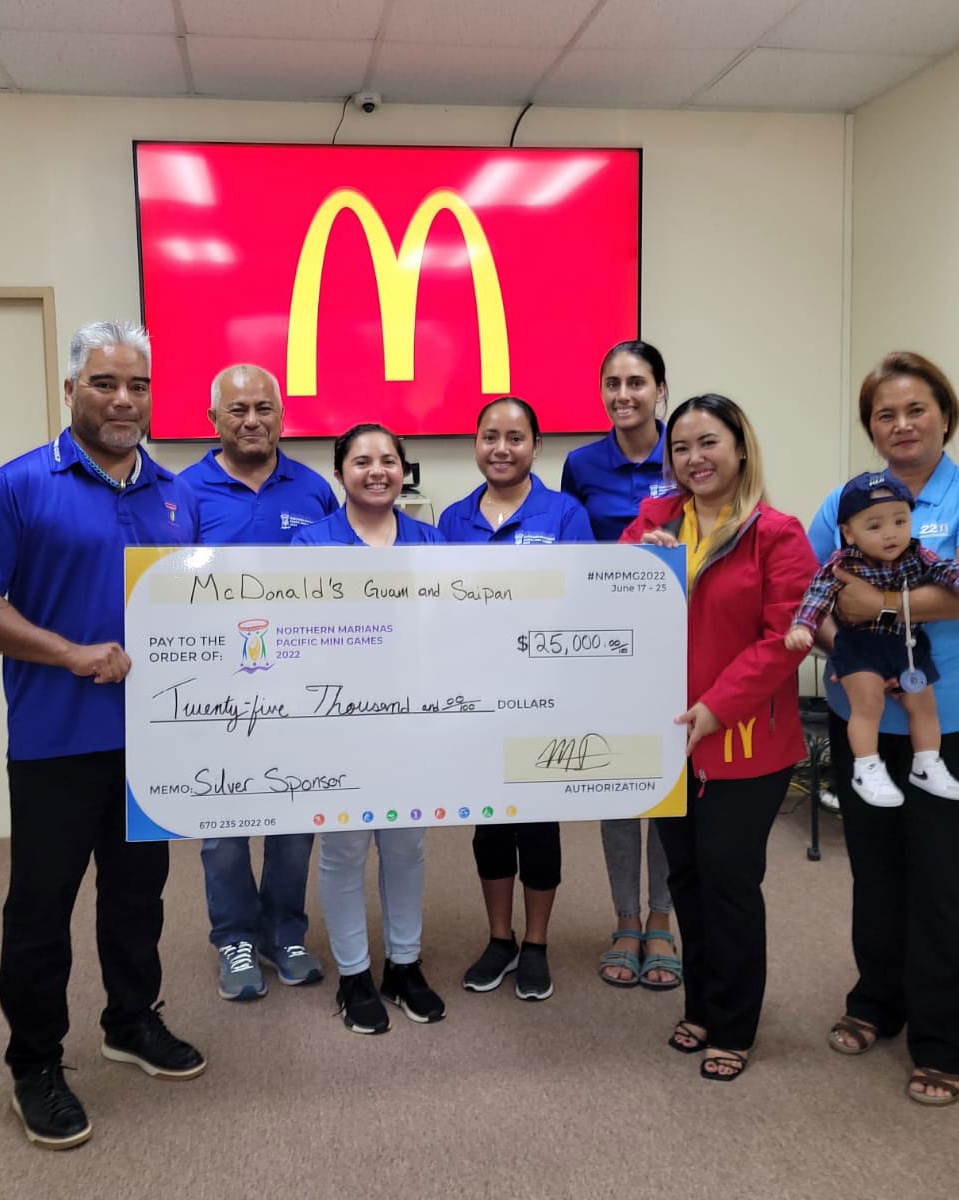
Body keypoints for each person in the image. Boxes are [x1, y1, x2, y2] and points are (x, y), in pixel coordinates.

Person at [0, 320, 206, 1150]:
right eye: (103, 384)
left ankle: (131, 1022)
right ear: (70, 391)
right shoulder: (20, 486)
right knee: (41, 910)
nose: (122, 400)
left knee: (138, 898)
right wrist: (67, 654)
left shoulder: (177, 493)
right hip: (57, 740)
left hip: (153, 743)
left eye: (137, 386)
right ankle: (35, 1065)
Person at [810, 352, 959, 1107]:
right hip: (864, 721)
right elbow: (819, 593)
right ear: (870, 426)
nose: (900, 426)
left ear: (944, 414)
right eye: (884, 414)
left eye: (915, 410)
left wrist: (883, 609)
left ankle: (942, 1041)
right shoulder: (846, 497)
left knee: (941, 878)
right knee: (875, 870)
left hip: (957, 720)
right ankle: (878, 1001)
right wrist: (856, 652)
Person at [624, 393, 817, 1082]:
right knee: (687, 878)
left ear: (740, 447)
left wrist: (716, 706)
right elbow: (609, 602)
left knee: (731, 881)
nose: (694, 459)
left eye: (708, 443)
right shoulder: (652, 522)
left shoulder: (778, 532)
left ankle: (734, 1024)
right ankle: (701, 1004)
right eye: (680, 448)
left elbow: (783, 642)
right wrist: (637, 563)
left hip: (744, 744)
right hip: (666, 740)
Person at [178, 364, 338, 1001]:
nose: (252, 420)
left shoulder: (316, 490)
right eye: (238, 409)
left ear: (282, 415)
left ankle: (284, 930)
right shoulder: (182, 492)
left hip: (299, 688)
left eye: (264, 408)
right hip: (217, 689)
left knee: (294, 816)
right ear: (212, 419)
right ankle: (235, 937)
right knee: (223, 823)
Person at [291, 423, 447, 1033]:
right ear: (340, 473)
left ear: (403, 469)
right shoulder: (310, 545)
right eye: (362, 461)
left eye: (388, 459)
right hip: (340, 722)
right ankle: (354, 974)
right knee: (345, 847)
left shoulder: (433, 543)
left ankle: (403, 966)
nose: (376, 470)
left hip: (415, 717)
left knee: (407, 845)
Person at [437, 397, 593, 1002]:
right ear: (475, 443)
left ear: (536, 446)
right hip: (476, 699)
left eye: (516, 437)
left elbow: (582, 603)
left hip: (544, 698)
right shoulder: (452, 521)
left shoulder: (565, 514)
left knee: (537, 824)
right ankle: (499, 939)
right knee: (491, 826)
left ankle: (537, 944)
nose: (502, 448)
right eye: (490, 436)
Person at [561, 340, 680, 989]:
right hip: (608, 648)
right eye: (613, 383)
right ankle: (625, 918)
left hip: (675, 645)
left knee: (662, 780)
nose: (623, 394)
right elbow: (575, 555)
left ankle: (662, 918)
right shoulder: (581, 464)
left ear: (661, 389)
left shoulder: (687, 450)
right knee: (615, 780)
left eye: (637, 382)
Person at [786, 471, 959, 807]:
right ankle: (866, 767)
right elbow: (816, 597)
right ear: (848, 533)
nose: (891, 534)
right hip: (860, 647)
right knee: (868, 703)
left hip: (907, 647)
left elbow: (945, 569)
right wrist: (802, 627)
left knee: (922, 702)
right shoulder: (842, 564)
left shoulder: (917, 554)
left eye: (900, 521)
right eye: (875, 526)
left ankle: (926, 764)